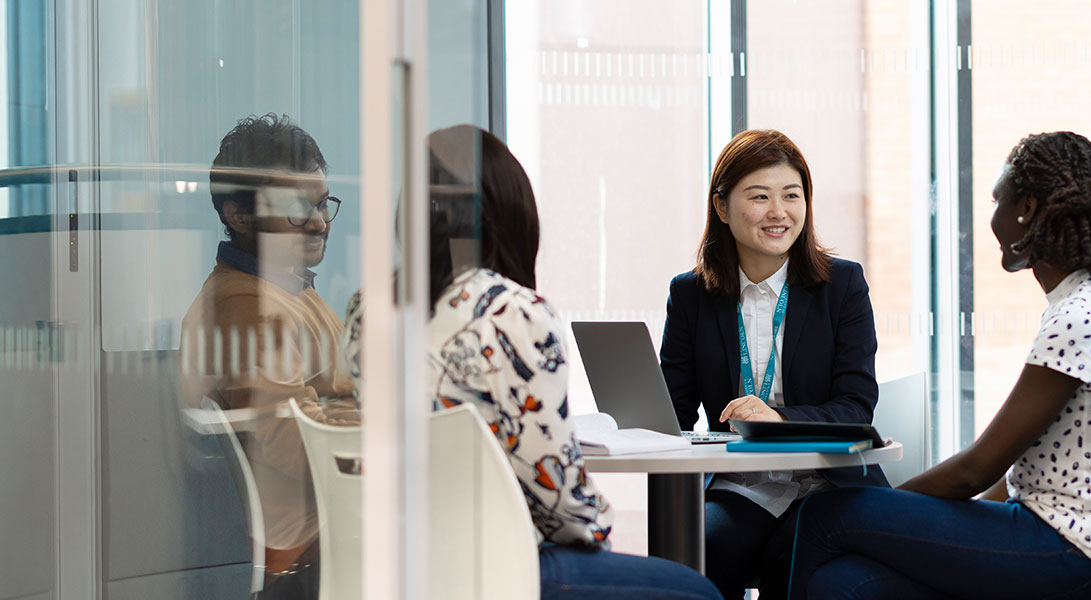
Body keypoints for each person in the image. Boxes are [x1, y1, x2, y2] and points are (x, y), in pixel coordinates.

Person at [344, 125, 719, 600]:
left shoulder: (366, 306)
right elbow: (559, 499)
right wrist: (599, 529)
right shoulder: (513, 312)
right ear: (510, 215)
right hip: (495, 565)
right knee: (698, 592)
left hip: (400, 561)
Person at [781, 131, 1091, 599]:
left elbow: (975, 470)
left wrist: (883, 510)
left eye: (999, 199)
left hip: (1076, 556)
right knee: (846, 584)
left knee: (825, 514)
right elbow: (1018, 468)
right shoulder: (1088, 300)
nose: (992, 216)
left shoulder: (1081, 316)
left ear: (1028, 210)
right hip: (1055, 539)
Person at [658, 129, 886, 599]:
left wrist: (777, 419)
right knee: (708, 547)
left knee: (794, 558)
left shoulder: (842, 285)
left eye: (792, 195)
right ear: (721, 207)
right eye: (759, 197)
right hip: (744, 481)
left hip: (826, 478)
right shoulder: (690, 294)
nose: (779, 212)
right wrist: (628, 425)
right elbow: (671, 413)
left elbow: (855, 407)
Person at [179, 113, 358, 599]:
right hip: (314, 551)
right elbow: (302, 445)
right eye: (299, 207)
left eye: (323, 204)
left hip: (344, 525)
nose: (319, 222)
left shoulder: (286, 287)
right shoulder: (247, 307)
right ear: (238, 216)